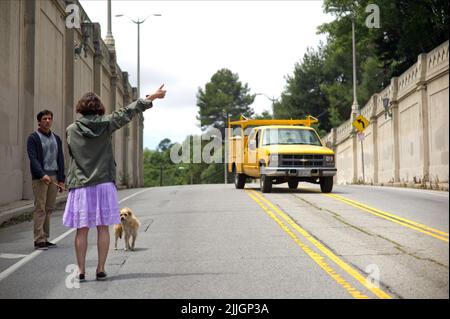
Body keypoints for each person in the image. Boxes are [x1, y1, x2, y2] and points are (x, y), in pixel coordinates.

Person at [63, 85, 166, 282]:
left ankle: (81, 271)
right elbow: (127, 111)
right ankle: (100, 269)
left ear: (80, 108)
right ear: (99, 108)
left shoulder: (71, 130)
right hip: (103, 183)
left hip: (81, 185)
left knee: (82, 230)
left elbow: (72, 155)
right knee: (103, 228)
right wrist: (151, 97)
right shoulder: (106, 123)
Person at [27, 110, 65, 250]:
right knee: (40, 208)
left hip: (54, 177)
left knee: (49, 208)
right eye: (44, 119)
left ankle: (45, 237)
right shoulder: (33, 138)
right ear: (39, 121)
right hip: (40, 178)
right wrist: (42, 174)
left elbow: (60, 159)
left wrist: (61, 180)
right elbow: (33, 158)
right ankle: (38, 239)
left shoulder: (57, 138)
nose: (47, 121)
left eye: (49, 118)